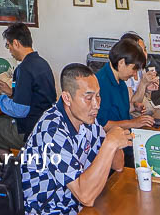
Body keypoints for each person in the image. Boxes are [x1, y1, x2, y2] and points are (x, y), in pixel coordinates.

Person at [20, 63, 129, 212]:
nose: (96, 105)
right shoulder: (52, 130)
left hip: (76, 205)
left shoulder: (88, 119)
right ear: (67, 98)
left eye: (98, 96)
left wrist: (113, 143)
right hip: (49, 209)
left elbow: (118, 165)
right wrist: (109, 144)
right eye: (88, 97)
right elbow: (85, 196)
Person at [0, 22, 56, 157]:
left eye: (9, 45)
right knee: (0, 125)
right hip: (45, 125)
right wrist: (11, 93)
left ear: (16, 43)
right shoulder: (41, 63)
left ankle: (2, 175)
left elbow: (20, 110)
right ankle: (9, 172)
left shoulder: (24, 69)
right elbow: (35, 95)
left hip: (29, 129)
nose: (9, 50)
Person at [94, 38, 154, 136]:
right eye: (134, 69)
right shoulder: (101, 84)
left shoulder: (121, 80)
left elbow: (117, 110)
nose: (134, 73)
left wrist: (134, 107)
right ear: (121, 62)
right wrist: (133, 123)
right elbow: (102, 125)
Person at [119, 31, 159, 116]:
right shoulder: (125, 73)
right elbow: (131, 105)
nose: (145, 54)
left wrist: (148, 89)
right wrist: (143, 84)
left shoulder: (141, 69)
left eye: (145, 49)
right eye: (140, 50)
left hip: (142, 114)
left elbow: (145, 100)